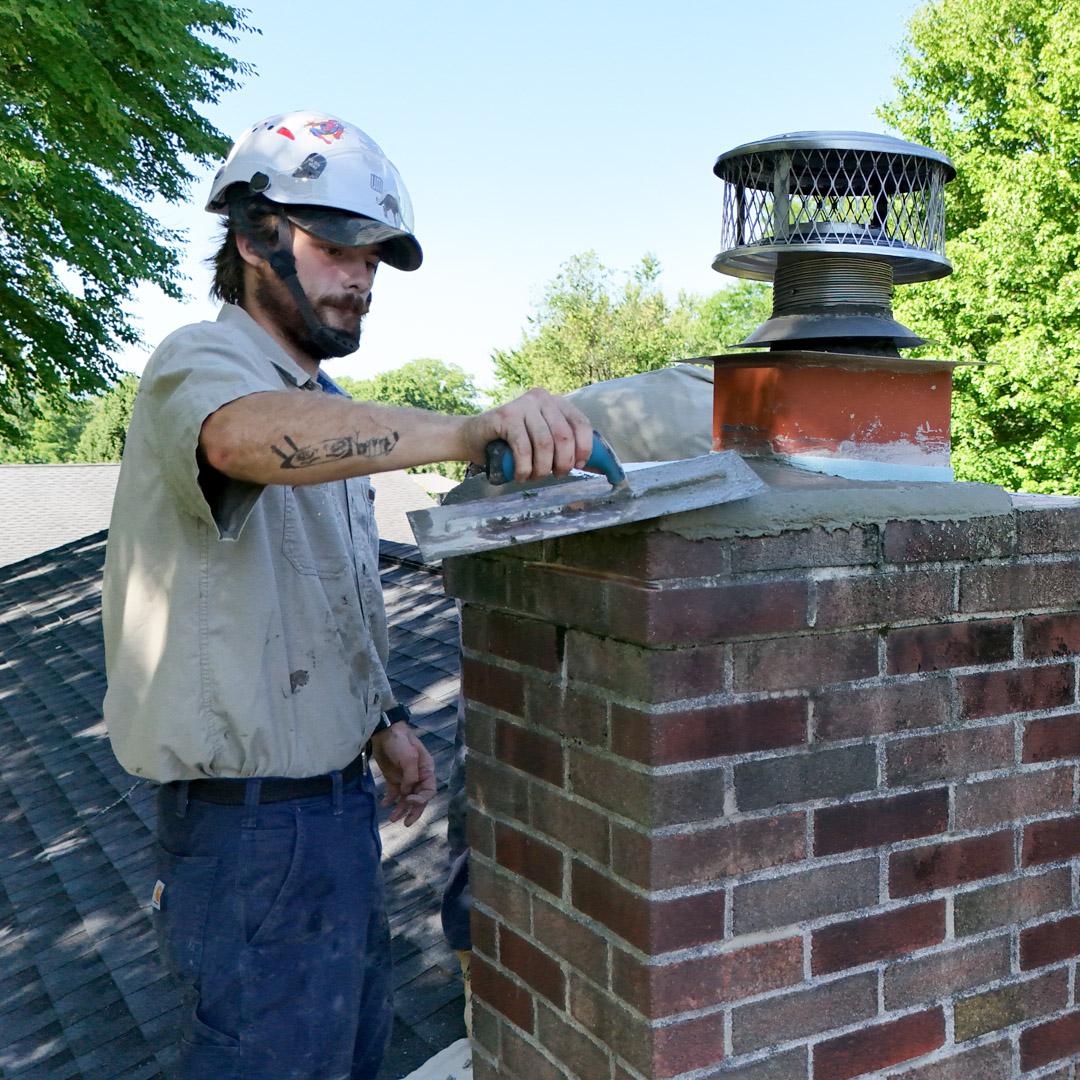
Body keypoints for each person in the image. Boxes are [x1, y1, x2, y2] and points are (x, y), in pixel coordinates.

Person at [101, 110, 594, 1080]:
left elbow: (319, 596)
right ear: (253, 237)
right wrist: (467, 430)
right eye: (335, 248)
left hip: (331, 818)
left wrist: (384, 723)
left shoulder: (325, 410)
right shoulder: (201, 366)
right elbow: (240, 440)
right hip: (246, 834)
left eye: (374, 258)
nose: (361, 277)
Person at [439, 361, 717, 1029]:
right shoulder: (720, 420)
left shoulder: (647, 401)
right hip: (540, 614)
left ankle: (475, 961)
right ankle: (479, 962)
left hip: (518, 616)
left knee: (482, 778)